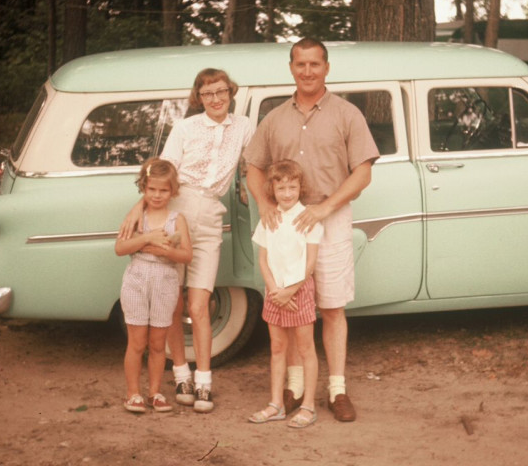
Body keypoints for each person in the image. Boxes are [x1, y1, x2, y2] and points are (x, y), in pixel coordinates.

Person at [244, 38, 380, 422]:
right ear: (291, 67)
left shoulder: (346, 113)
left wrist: (324, 207)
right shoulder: (274, 118)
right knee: (287, 304)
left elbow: (364, 171)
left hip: (329, 215)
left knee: (332, 306)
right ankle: (296, 385)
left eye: (314, 64)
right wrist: (265, 204)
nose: (307, 71)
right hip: (286, 223)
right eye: (300, 64)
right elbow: (254, 167)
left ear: (326, 68)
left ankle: (337, 389)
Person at [120, 68, 255, 413]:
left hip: (209, 214)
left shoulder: (244, 126)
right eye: (208, 93)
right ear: (199, 97)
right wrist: (138, 206)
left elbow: (254, 167)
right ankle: (181, 374)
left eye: (221, 91)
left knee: (199, 305)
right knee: (173, 304)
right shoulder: (185, 128)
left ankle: (204, 380)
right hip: (175, 213)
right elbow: (161, 173)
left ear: (230, 92)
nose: (216, 99)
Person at [248, 160, 322, 429]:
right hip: (274, 291)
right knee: (278, 348)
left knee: (305, 349)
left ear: (300, 187)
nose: (288, 193)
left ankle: (308, 406)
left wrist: (290, 290)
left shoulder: (308, 218)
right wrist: (274, 291)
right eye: (281, 188)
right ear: (273, 189)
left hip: (299, 291)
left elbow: (310, 262)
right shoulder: (270, 219)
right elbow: (264, 260)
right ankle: (276, 404)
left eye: (292, 187)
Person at [115, 158, 193, 413]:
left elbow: (186, 255)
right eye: (152, 189)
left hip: (165, 281)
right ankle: (133, 393)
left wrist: (166, 252)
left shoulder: (176, 219)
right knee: (137, 343)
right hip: (137, 280)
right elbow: (120, 248)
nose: (157, 195)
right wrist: (148, 238)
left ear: (173, 191)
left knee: (159, 344)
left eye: (163, 190)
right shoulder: (137, 218)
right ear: (144, 188)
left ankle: (155, 392)